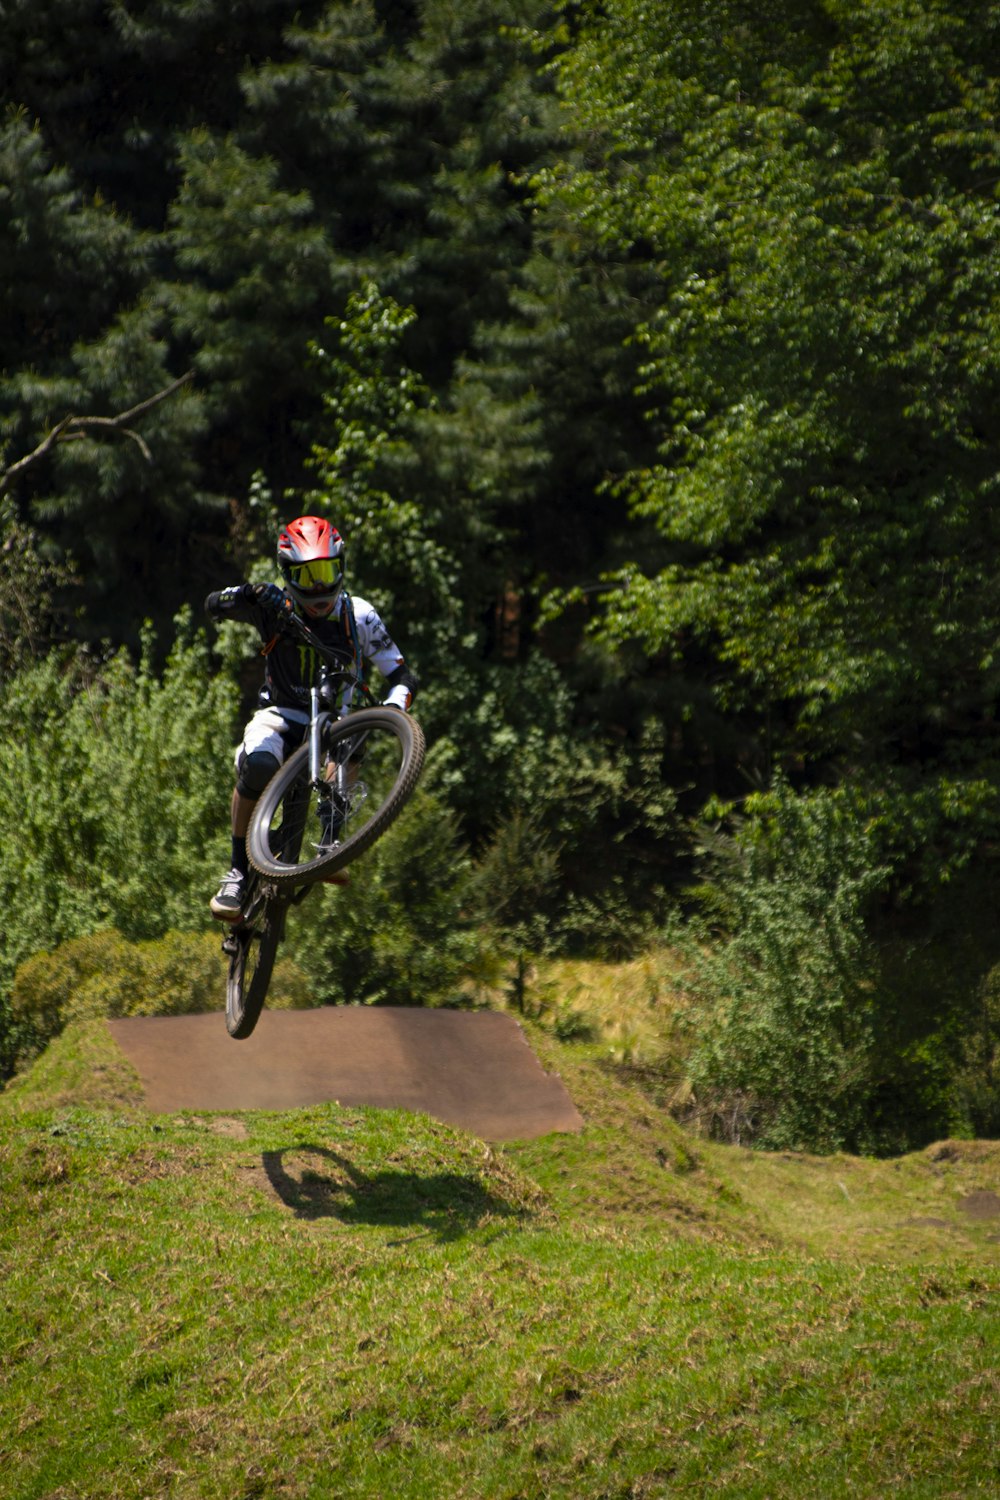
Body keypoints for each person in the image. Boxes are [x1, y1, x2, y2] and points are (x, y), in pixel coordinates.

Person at [205, 514, 418, 921]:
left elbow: (402, 675)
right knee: (259, 766)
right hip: (279, 715)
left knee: (356, 739)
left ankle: (330, 845)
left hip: (335, 721)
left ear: (341, 567)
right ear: (287, 574)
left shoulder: (360, 616)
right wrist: (250, 594)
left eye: (326, 571)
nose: (319, 587)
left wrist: (394, 709)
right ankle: (235, 871)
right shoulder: (274, 606)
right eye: (307, 576)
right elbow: (213, 604)